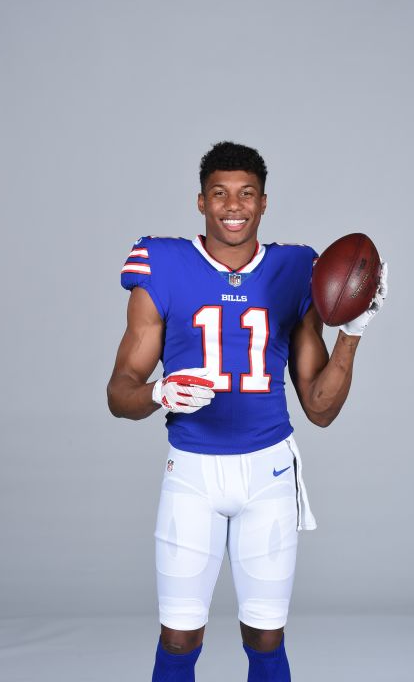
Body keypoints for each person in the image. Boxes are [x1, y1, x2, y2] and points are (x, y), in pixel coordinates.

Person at [106, 141, 388, 682]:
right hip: (191, 470)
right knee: (179, 635)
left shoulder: (296, 267)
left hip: (269, 470)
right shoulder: (162, 263)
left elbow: (321, 409)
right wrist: (160, 393)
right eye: (219, 194)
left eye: (246, 194)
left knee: (265, 637)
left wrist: (353, 333)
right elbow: (119, 393)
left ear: (263, 204)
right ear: (200, 202)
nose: (232, 206)